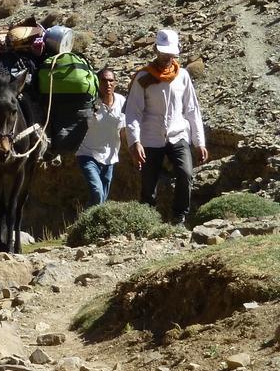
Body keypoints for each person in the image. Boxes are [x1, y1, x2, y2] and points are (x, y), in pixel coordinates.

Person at [125, 29, 208, 226]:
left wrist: (199, 142)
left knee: (186, 173)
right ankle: (146, 220)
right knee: (148, 183)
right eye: (163, 52)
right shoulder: (143, 78)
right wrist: (135, 141)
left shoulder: (183, 76)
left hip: (178, 134)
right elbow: (133, 112)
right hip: (150, 137)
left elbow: (192, 110)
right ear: (155, 50)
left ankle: (179, 216)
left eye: (170, 53)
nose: (167, 57)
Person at [76, 68, 125, 206]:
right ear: (97, 82)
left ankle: (88, 223)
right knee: (97, 191)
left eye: (111, 81)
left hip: (110, 158)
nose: (108, 84)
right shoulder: (90, 103)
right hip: (88, 154)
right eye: (104, 80)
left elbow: (127, 127)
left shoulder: (122, 101)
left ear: (115, 83)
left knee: (102, 199)